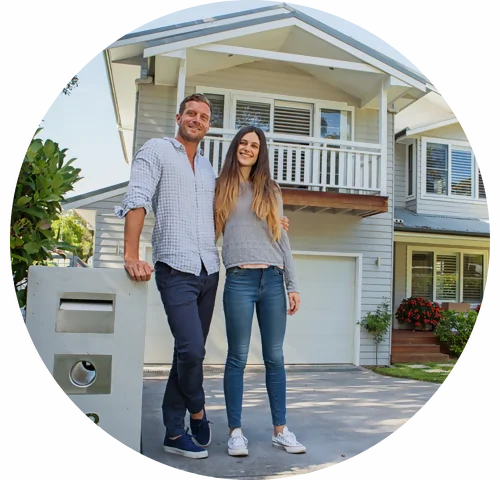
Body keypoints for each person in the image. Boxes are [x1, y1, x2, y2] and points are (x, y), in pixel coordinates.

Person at [114, 94, 290, 460]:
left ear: (208, 126)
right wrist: (131, 254)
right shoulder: (157, 150)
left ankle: (174, 432)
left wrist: (273, 223)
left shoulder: (210, 170)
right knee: (193, 349)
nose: (196, 119)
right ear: (178, 116)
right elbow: (138, 198)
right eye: (190, 113)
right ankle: (197, 411)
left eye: (203, 116)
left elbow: (230, 216)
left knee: (186, 353)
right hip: (175, 266)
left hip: (209, 270)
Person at [214, 125, 306, 457]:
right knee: (237, 357)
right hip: (239, 279)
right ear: (235, 147)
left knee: (275, 358)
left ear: (260, 151)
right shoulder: (221, 187)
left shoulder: (270, 188)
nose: (248, 148)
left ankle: (280, 430)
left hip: (273, 280)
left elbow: (281, 237)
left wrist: (292, 284)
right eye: (243, 143)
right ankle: (235, 432)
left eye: (254, 145)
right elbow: (209, 231)